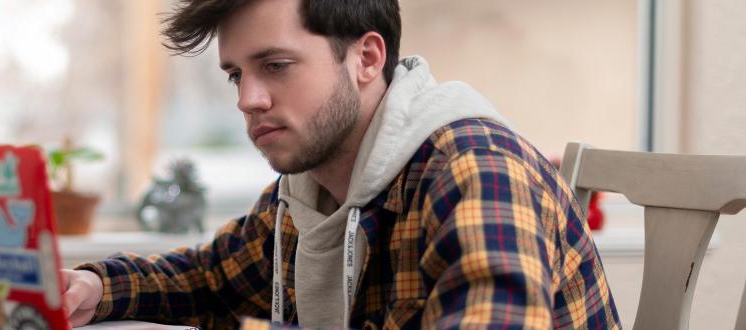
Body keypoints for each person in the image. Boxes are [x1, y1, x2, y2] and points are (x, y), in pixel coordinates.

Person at [61, 0, 622, 328]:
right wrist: (92, 286)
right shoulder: (310, 187)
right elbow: (214, 277)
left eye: (276, 66)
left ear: (367, 58)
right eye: (236, 75)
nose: (247, 99)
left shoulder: (475, 171)